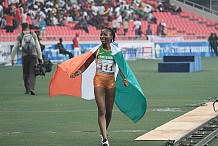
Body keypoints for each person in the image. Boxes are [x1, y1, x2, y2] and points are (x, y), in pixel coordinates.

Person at [69, 28, 128, 146]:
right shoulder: (97, 50)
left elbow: (121, 66)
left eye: (105, 35)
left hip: (111, 82)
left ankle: (103, 131)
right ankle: (105, 139)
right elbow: (86, 63)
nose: (102, 37)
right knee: (102, 110)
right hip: (99, 81)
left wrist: (124, 78)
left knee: (109, 111)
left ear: (111, 37)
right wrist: (78, 72)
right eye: (101, 35)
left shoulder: (116, 51)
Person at [11, 23, 43, 95]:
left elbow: (15, 48)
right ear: (28, 27)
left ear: (22, 27)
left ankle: (27, 89)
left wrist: (12, 58)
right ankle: (32, 88)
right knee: (32, 72)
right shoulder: (33, 34)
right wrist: (40, 57)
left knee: (25, 73)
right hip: (33, 56)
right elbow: (38, 47)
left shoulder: (20, 36)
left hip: (24, 56)